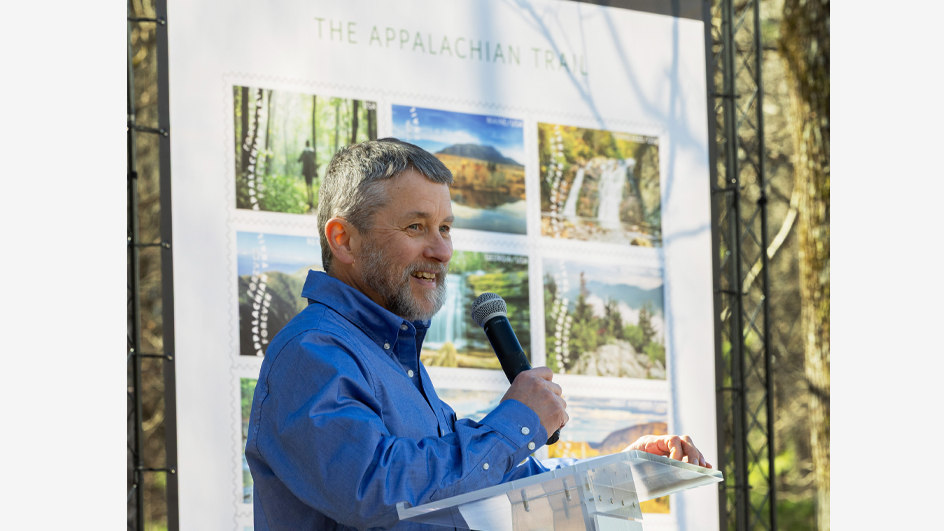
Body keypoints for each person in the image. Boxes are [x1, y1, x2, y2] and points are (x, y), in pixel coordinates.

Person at [245, 138, 709, 531]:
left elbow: (488, 490)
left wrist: (624, 472)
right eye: (417, 227)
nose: (443, 250)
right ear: (343, 239)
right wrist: (513, 422)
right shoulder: (313, 352)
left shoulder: (392, 358)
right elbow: (377, 491)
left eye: (445, 228)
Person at [298, 140, 318, 210]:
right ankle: (311, 203)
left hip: (306, 172)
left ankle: (308, 203)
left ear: (305, 144)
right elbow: (314, 161)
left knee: (307, 186)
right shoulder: (312, 151)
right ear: (309, 144)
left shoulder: (304, 151)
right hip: (311, 172)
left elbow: (299, 160)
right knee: (311, 186)